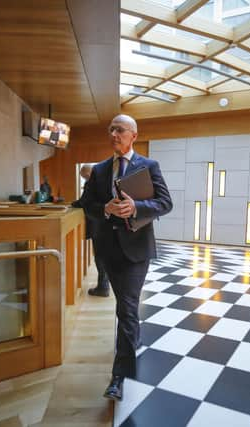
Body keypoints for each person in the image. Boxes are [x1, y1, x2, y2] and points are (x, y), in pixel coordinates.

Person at [80, 114, 172, 401]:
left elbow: (165, 203)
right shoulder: (100, 170)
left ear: (133, 135)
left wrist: (136, 207)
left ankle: (118, 377)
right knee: (125, 306)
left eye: (119, 130)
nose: (113, 134)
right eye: (111, 130)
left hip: (136, 251)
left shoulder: (149, 166)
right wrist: (105, 208)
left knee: (127, 308)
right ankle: (134, 337)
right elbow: (86, 204)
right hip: (108, 250)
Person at [72, 165, 110, 297]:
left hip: (97, 224)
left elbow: (84, 202)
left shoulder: (92, 183)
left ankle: (103, 286)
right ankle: (105, 285)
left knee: (100, 256)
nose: (84, 178)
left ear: (89, 173)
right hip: (105, 223)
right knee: (103, 255)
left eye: (84, 176)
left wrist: (72, 204)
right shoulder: (104, 181)